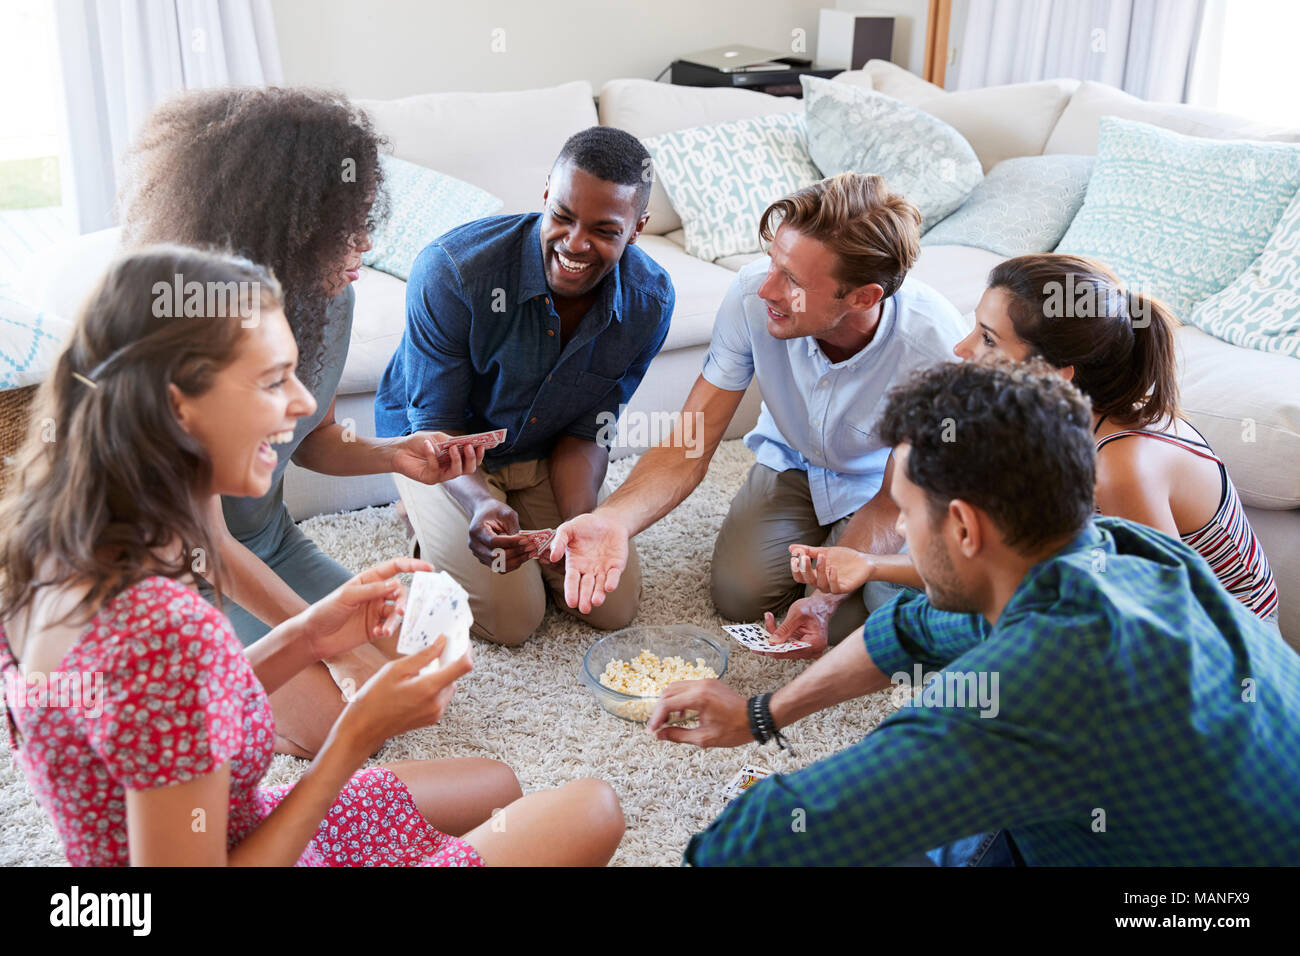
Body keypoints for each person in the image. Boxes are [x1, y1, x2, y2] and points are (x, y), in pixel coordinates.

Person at [0, 247, 625, 867]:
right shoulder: (162, 627)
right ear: (178, 406)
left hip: (228, 826)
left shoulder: (52, 544)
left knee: (495, 784)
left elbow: (175, 709)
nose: (303, 405)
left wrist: (309, 635)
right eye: (273, 381)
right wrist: (354, 741)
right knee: (593, 809)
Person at [648, 359, 1300, 866]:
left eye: (904, 514)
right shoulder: (1124, 553)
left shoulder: (1030, 693)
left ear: (962, 527)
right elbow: (906, 629)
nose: (897, 530)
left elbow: (752, 841)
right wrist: (760, 714)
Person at [118, 87, 484, 758]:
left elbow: (311, 438)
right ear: (283, 221)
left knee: (422, 655)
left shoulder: (326, 299)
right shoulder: (193, 337)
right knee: (332, 724)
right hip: (189, 571)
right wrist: (330, 647)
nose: (366, 240)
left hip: (271, 543)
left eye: (365, 213)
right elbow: (210, 543)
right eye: (344, 221)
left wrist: (392, 455)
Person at [550, 173, 966, 653]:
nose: (766, 288)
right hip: (791, 461)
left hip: (879, 485)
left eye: (792, 279)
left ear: (863, 297)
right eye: (773, 262)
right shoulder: (753, 296)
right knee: (738, 594)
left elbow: (893, 501)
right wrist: (613, 520)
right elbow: (690, 443)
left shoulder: (934, 347)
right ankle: (827, 550)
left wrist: (825, 599)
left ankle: (844, 562)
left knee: (859, 613)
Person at [791, 253, 1280, 633]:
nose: (961, 350)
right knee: (904, 603)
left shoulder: (1123, 465)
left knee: (947, 625)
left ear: (1052, 373)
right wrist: (869, 566)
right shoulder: (1047, 417)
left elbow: (1162, 616)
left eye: (987, 339)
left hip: (1216, 645)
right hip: (1107, 596)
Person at [374, 126, 674, 646]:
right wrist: (480, 504)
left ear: (638, 228)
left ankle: (501, 524)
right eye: (561, 216)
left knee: (611, 606)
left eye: (604, 230)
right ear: (545, 195)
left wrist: (585, 522)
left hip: (543, 445)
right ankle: (422, 517)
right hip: (443, 449)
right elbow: (436, 428)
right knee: (515, 621)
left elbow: (590, 428)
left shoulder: (649, 302)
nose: (575, 244)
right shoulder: (453, 272)